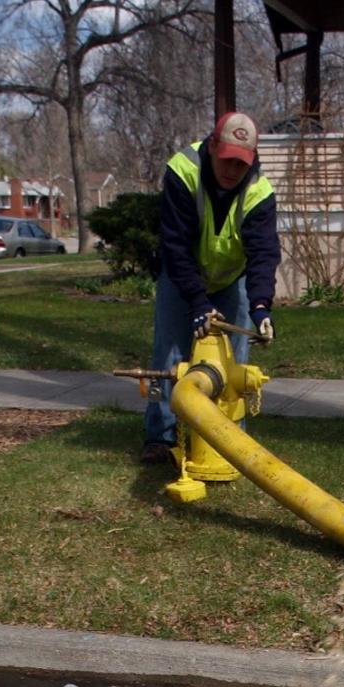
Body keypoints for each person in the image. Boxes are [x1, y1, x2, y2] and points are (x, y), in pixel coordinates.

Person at [141, 111, 280, 464]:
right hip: (181, 274)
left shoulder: (259, 191)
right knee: (170, 358)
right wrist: (198, 302)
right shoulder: (183, 170)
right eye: (227, 160)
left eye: (241, 163)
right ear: (213, 145)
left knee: (235, 362)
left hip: (232, 277)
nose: (233, 170)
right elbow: (175, 245)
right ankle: (161, 438)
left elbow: (263, 254)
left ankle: (230, 441)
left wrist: (262, 307)